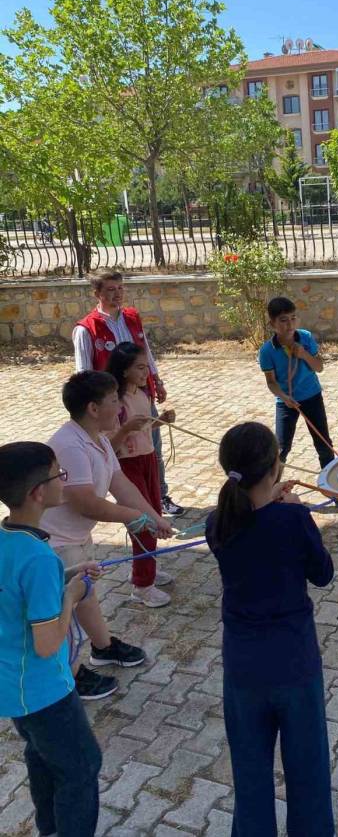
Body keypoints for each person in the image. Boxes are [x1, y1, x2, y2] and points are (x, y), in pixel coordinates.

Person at [206, 421, 334, 837]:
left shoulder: (217, 523)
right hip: (294, 664)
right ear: (274, 468)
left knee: (250, 770)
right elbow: (323, 573)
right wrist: (293, 509)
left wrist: (279, 505)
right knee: (307, 769)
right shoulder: (292, 519)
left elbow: (255, 527)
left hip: (243, 667)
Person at [41, 371, 173, 699]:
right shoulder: (69, 445)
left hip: (75, 537)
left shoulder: (98, 437)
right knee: (62, 610)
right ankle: (70, 675)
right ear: (93, 408)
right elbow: (88, 503)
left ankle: (103, 648)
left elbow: (120, 484)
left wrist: (154, 517)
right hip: (54, 542)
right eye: (114, 400)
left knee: (84, 593)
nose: (120, 407)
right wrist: (135, 517)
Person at [0, 441, 103, 837]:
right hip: (45, 693)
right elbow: (47, 645)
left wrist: (69, 574)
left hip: (16, 689)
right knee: (81, 768)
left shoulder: (10, 540)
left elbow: (17, 594)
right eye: (59, 474)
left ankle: (51, 829)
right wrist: (73, 595)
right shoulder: (40, 558)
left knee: (43, 759)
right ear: (37, 493)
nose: (65, 480)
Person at [72, 270, 185, 517]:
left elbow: (145, 351)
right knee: (119, 449)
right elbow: (83, 372)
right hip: (111, 401)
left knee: (152, 445)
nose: (117, 294)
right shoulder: (86, 328)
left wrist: (156, 379)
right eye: (111, 289)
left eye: (120, 288)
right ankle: (129, 499)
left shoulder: (132, 317)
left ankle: (160, 495)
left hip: (141, 393)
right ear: (97, 293)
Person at [106, 342, 177, 608]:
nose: (145, 371)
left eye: (146, 366)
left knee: (155, 512)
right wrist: (124, 430)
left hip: (147, 459)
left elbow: (145, 426)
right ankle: (142, 586)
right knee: (144, 521)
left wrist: (162, 421)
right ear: (124, 371)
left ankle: (146, 568)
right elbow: (108, 445)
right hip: (126, 465)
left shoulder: (143, 393)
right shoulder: (114, 401)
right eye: (139, 367)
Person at [259, 296, 336, 473]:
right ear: (272, 324)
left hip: (312, 397)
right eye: (283, 320)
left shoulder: (306, 338)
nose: (290, 324)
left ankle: (334, 491)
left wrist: (304, 354)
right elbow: (271, 383)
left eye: (293, 318)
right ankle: (269, 488)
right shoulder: (267, 351)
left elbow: (319, 367)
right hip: (287, 402)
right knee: (280, 449)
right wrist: (284, 397)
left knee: (324, 444)